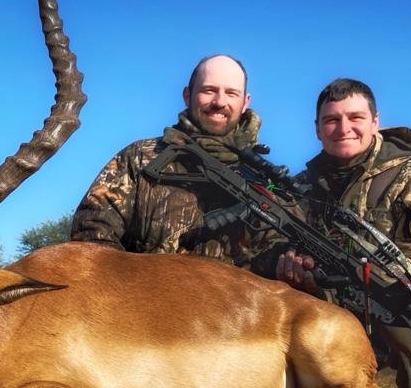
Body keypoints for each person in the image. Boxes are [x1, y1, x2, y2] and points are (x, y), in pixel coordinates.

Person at [277, 78, 411, 388]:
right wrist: (291, 266)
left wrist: (350, 281)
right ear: (317, 129)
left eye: (355, 117)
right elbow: (286, 247)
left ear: (375, 122)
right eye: (331, 120)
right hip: (331, 303)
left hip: (406, 305)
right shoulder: (301, 187)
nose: (343, 128)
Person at [70, 54, 270, 266]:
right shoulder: (140, 157)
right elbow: (90, 238)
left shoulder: (266, 183)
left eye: (231, 93)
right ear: (187, 95)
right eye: (208, 90)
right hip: (142, 296)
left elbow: (274, 259)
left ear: (245, 102)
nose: (220, 102)